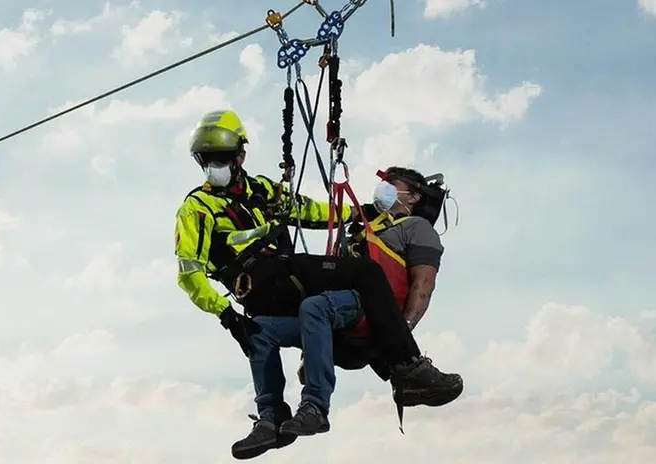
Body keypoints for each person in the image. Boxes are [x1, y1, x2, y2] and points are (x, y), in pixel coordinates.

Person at [174, 110, 462, 460]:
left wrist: (357, 213)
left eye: (220, 158)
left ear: (240, 157)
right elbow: (189, 273)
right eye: (207, 160)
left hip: (283, 277)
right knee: (273, 322)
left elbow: (310, 211)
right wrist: (229, 317)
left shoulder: (262, 190)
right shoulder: (196, 208)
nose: (213, 166)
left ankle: (298, 412)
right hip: (263, 284)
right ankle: (401, 366)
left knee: (280, 323)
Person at [288, 166, 456, 438]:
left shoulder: (416, 228)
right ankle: (271, 418)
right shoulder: (363, 228)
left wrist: (399, 334)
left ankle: (316, 406)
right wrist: (311, 353)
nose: (385, 188)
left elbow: (423, 285)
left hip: (369, 316)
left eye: (393, 183)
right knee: (265, 328)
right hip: (341, 324)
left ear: (413, 197)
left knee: (311, 296)